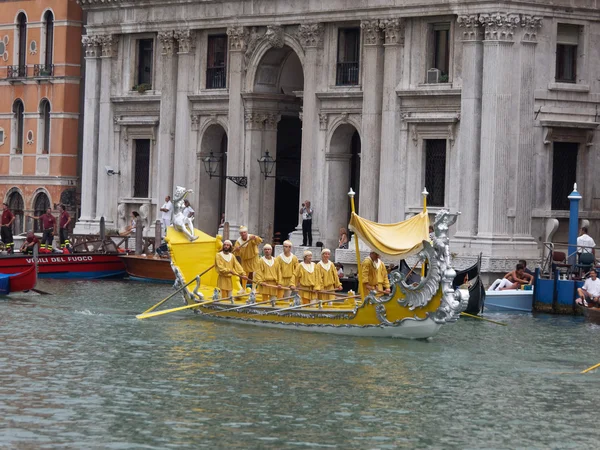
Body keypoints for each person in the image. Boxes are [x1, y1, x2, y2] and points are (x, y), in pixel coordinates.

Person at [233, 226, 263, 291]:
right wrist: (237, 250)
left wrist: (255, 238)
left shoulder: (250, 237)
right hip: (245, 259)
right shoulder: (238, 241)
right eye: (242, 233)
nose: (243, 234)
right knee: (244, 273)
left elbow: (259, 241)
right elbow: (236, 252)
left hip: (254, 258)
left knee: (255, 273)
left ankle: (254, 288)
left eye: (244, 232)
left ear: (246, 232)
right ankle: (243, 288)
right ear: (240, 234)